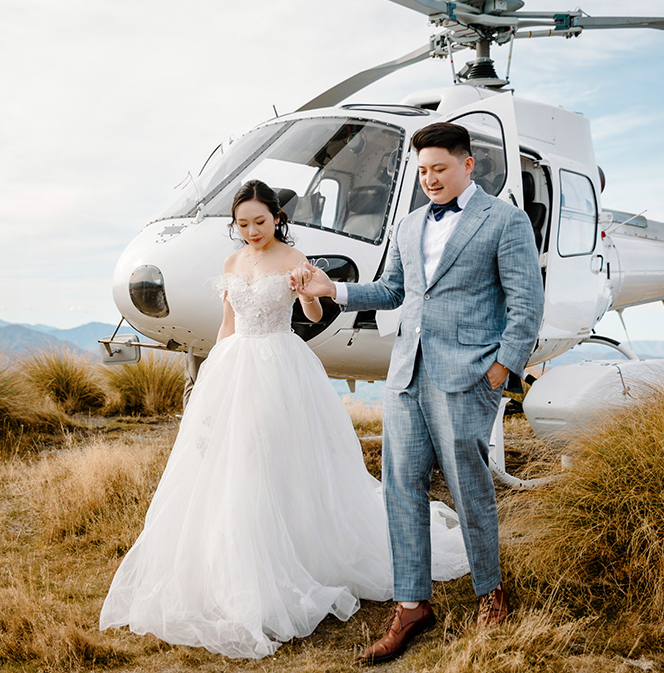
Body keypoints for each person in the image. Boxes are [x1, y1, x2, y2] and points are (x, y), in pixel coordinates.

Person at [99, 179, 469, 659]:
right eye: (243, 224)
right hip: (236, 365)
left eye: (260, 221)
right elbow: (227, 325)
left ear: (277, 217)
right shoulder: (232, 263)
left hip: (281, 365)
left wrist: (307, 291)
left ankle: (292, 557)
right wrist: (213, 374)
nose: (252, 231)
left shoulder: (295, 259)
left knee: (277, 459)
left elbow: (313, 313)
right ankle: (237, 564)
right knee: (234, 464)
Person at [295, 122, 545, 664]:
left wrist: (502, 370)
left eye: (439, 168)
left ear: (468, 165)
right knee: (399, 490)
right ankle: (412, 605)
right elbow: (392, 291)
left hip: (470, 377)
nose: (429, 179)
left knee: (469, 486)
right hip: (405, 376)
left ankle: (490, 591)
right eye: (423, 171)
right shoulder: (409, 225)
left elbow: (526, 304)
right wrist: (331, 288)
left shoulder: (505, 220)